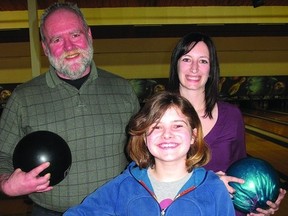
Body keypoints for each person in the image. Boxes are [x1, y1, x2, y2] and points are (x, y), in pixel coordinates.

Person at [0, 2, 139, 215]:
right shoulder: (23, 98)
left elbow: (141, 151)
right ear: (45, 48)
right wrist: (6, 182)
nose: (69, 47)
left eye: (75, 35)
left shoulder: (123, 90)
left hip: (115, 210)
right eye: (56, 39)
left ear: (89, 35)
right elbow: (1, 155)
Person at [167, 32, 286, 216]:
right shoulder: (158, 117)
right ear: (176, 64)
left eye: (203, 61)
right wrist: (208, 184)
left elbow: (241, 172)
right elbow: (148, 178)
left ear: (211, 69)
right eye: (187, 59)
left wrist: (259, 202)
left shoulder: (231, 116)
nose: (194, 68)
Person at [64, 91, 236, 215]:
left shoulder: (214, 189)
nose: (167, 134)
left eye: (177, 125)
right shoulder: (124, 186)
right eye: (156, 127)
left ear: (193, 135)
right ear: (145, 137)